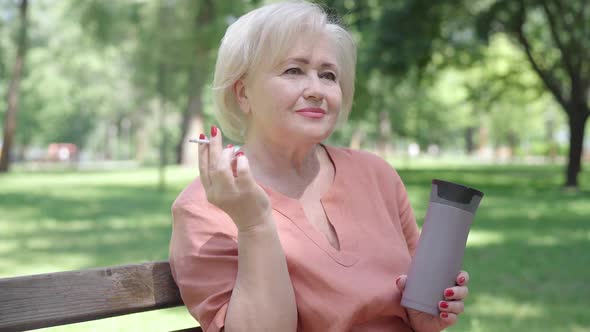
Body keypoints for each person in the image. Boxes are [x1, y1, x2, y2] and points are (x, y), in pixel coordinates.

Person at [169, 1, 470, 331]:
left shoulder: (376, 175)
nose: (316, 90)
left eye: (328, 75)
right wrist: (254, 223)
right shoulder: (204, 208)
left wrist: (428, 313)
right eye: (294, 71)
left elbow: (417, 316)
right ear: (243, 93)